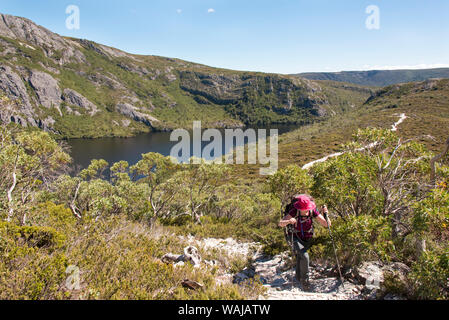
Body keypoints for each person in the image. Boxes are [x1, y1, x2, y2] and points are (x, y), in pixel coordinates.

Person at [278, 194, 331, 291]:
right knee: (305, 256)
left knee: (300, 256)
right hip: (294, 237)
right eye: (304, 208)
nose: (306, 210)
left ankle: (298, 277)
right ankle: (305, 281)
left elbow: (326, 224)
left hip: (306, 238)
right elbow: (281, 223)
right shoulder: (294, 211)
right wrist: (289, 221)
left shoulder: (312, 211)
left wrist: (325, 214)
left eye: (307, 208)